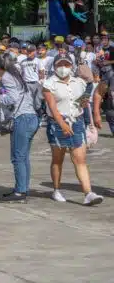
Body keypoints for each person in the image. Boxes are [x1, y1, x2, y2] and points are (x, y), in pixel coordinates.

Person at [42, 54, 103, 206]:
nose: (63, 68)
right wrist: (62, 124)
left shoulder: (79, 82)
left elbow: (90, 91)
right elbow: (52, 107)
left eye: (67, 64)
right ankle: (56, 189)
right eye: (60, 64)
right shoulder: (49, 83)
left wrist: (85, 100)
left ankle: (88, 193)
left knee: (80, 159)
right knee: (58, 159)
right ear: (54, 66)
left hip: (77, 122)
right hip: (57, 124)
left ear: (71, 66)